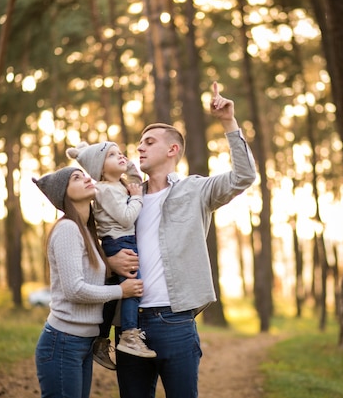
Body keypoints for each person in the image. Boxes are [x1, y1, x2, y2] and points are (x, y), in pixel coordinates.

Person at [106, 82, 257, 398]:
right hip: (129, 325)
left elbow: (244, 177)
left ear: (172, 150)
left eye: (149, 142)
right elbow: (97, 241)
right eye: (139, 143)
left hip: (174, 321)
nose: (140, 148)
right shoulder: (123, 197)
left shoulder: (196, 190)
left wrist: (228, 122)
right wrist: (109, 260)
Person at [32, 166, 144, 398]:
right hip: (63, 342)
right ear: (64, 192)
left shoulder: (87, 232)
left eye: (84, 174)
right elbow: (74, 290)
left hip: (82, 342)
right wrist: (120, 291)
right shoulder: (68, 229)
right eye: (76, 177)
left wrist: (112, 265)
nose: (86, 178)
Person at [66, 141, 157, 370]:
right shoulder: (105, 189)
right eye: (112, 155)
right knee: (132, 289)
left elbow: (135, 179)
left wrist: (129, 168)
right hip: (121, 242)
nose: (121, 157)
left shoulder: (116, 185)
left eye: (120, 153)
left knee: (114, 296)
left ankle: (101, 339)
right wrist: (137, 198)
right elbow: (126, 217)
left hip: (115, 243)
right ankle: (129, 334)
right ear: (101, 169)